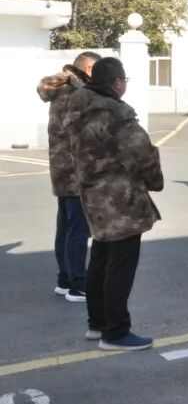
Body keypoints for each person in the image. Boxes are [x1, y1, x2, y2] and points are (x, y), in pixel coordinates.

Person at [65, 57, 163, 351]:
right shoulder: (116, 113)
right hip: (121, 199)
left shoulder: (78, 108)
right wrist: (155, 180)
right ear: (117, 82)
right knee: (120, 265)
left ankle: (97, 323)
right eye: (124, 80)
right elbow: (142, 153)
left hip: (93, 195)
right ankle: (116, 332)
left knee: (100, 259)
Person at [37, 50, 101, 302]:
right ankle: (78, 284)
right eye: (98, 70)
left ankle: (64, 280)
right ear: (88, 69)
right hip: (77, 172)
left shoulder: (61, 90)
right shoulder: (78, 93)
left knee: (65, 228)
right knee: (78, 231)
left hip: (62, 171)